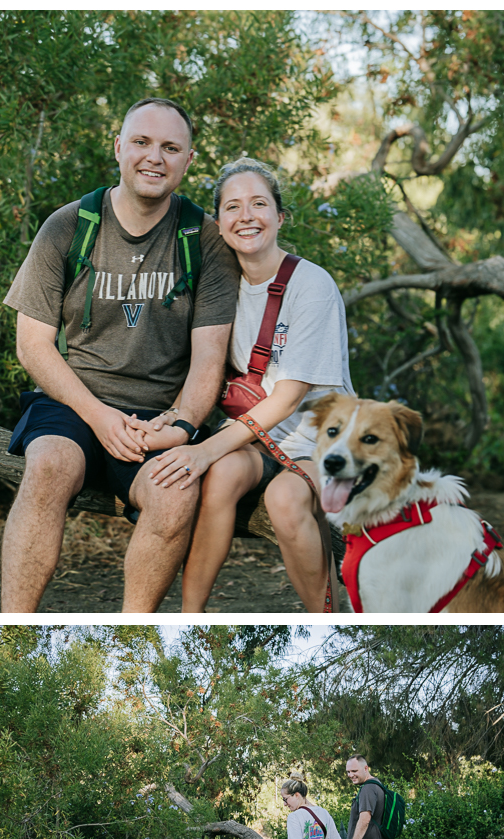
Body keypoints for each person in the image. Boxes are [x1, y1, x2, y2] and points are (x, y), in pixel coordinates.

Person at [1, 97, 240, 613]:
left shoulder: (206, 240)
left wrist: (180, 425)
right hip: (74, 404)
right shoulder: (68, 226)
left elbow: (208, 360)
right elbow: (32, 344)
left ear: (188, 159)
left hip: (160, 415)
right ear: (118, 147)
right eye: (142, 142)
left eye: (170, 147)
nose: (155, 157)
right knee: (47, 467)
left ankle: (136, 629)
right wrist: (99, 416)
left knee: (176, 492)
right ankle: (12, 627)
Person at [145, 158, 354, 613]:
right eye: (233, 207)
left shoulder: (311, 285)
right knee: (219, 473)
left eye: (259, 204)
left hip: (322, 439)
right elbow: (207, 369)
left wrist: (206, 447)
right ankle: (189, 615)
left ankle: (324, 618)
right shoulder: (218, 285)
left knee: (282, 497)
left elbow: (288, 397)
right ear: (218, 223)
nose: (246, 216)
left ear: (279, 217)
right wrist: (174, 419)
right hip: (257, 437)